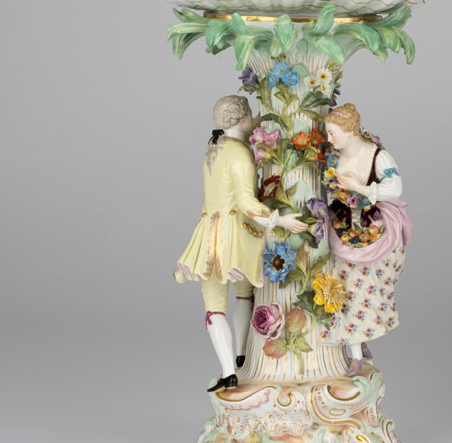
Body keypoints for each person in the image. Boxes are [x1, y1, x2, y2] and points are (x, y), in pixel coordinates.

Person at [175, 95, 307, 392]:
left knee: (214, 306)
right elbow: (247, 202)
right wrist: (279, 219)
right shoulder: (240, 153)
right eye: (250, 114)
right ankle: (242, 356)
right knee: (244, 294)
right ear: (242, 118)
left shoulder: (214, 147)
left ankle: (228, 370)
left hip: (208, 235)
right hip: (236, 235)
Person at [321, 104, 412, 375]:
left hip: (372, 228)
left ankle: (361, 341)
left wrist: (359, 188)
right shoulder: (333, 157)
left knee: (366, 289)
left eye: (333, 133)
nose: (329, 139)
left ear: (350, 131)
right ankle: (356, 353)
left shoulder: (377, 156)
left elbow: (395, 187)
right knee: (345, 289)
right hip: (341, 226)